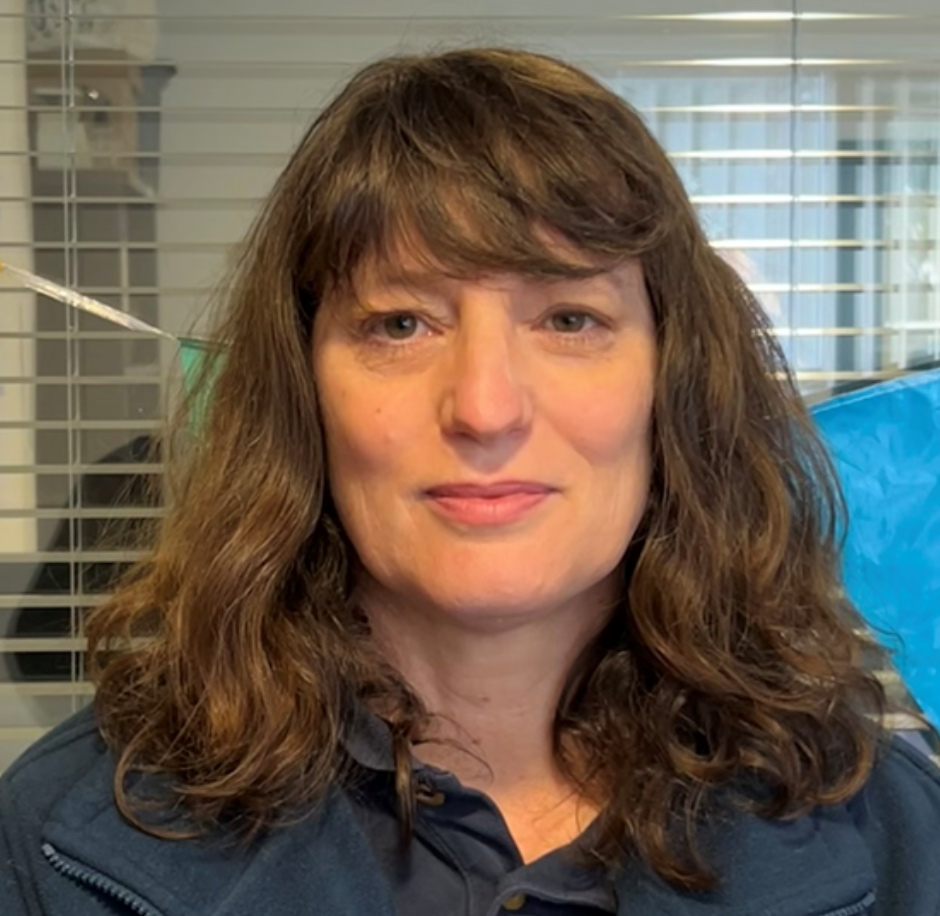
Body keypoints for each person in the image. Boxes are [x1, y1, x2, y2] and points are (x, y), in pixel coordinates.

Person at [1, 47, 938, 916]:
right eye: (400, 324)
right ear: (303, 391)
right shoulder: (60, 853)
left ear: (672, 385)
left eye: (569, 319)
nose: (485, 409)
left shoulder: (898, 836)